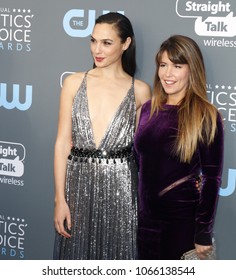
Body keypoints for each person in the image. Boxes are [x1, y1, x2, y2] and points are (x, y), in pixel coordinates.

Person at [53, 12, 151, 260]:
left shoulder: (140, 91)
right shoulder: (74, 83)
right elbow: (63, 142)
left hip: (122, 192)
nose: (97, 49)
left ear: (126, 43)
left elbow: (146, 152)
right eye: (93, 40)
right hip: (78, 190)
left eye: (107, 43)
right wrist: (60, 199)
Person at [134, 35, 224, 260]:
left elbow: (212, 179)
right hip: (145, 223)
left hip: (182, 224)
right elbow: (140, 163)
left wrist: (203, 231)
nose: (167, 74)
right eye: (163, 65)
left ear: (191, 69)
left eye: (177, 66)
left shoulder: (205, 115)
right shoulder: (147, 109)